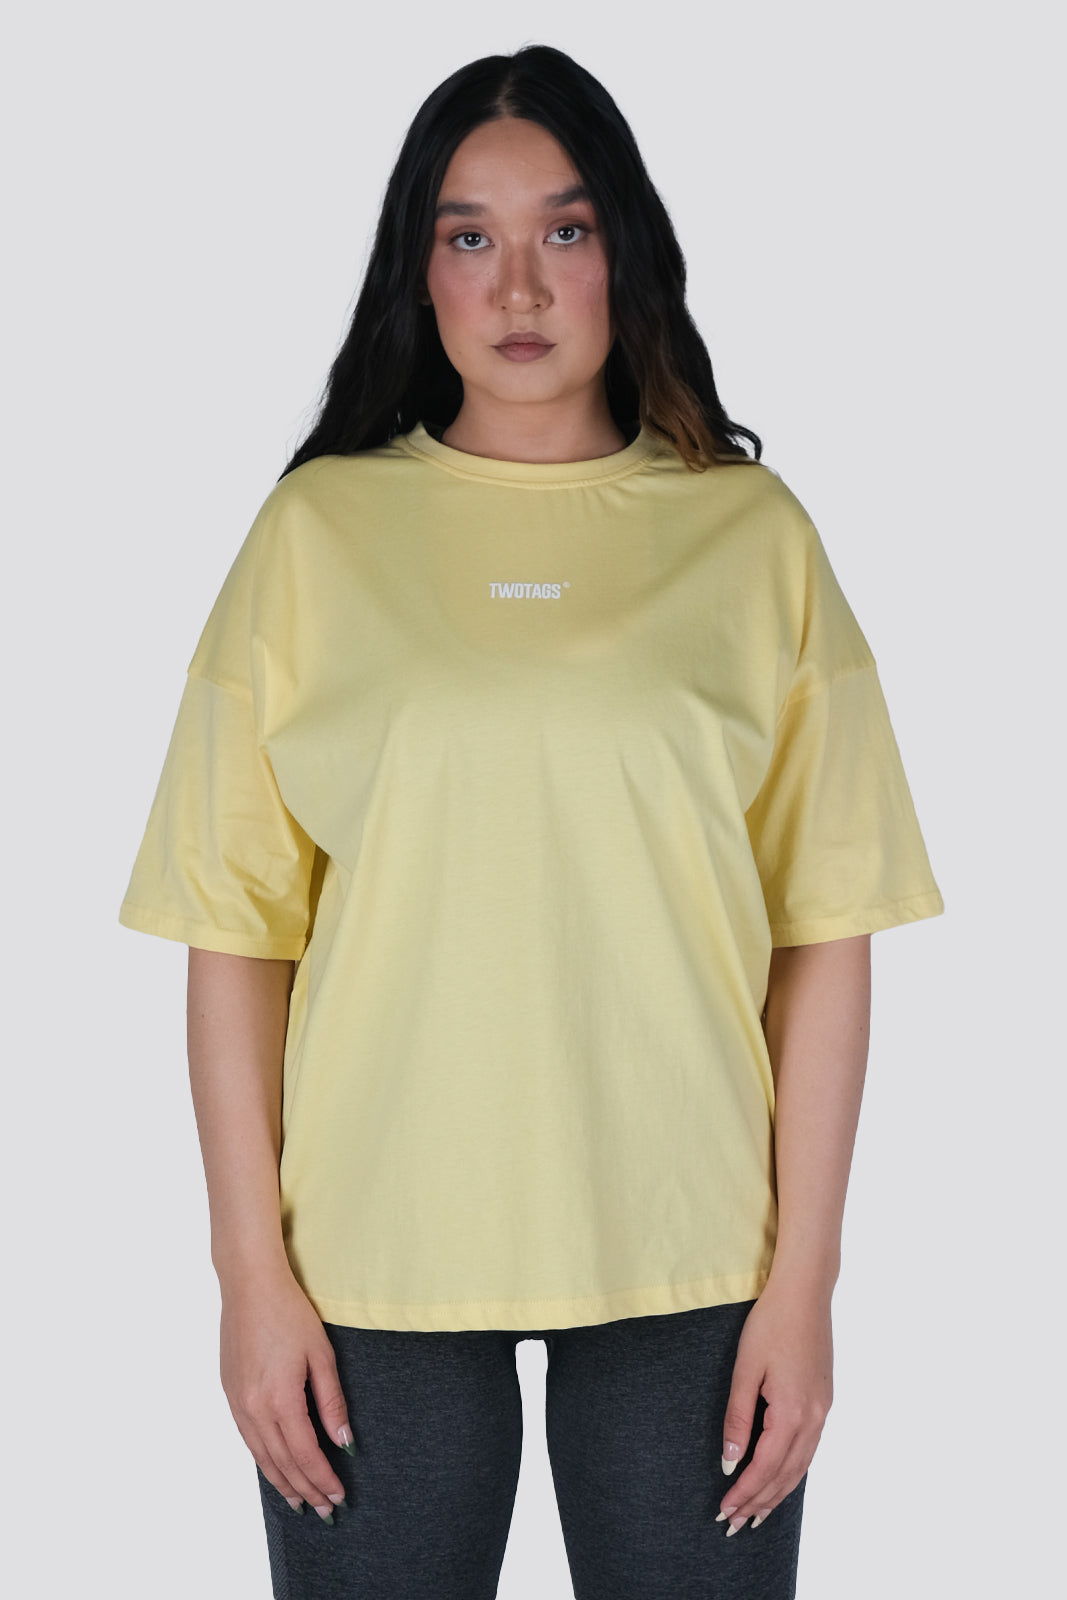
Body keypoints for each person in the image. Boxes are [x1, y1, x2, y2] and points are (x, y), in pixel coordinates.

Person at [118, 43, 945, 1600]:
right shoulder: (317, 535)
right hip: (369, 1262)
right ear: (417, 268)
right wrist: (249, 1282)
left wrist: (807, 1284)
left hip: (695, 1250)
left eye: (565, 229)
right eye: (468, 235)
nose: (518, 286)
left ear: (626, 250)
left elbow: (825, 929)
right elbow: (235, 937)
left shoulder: (751, 537)